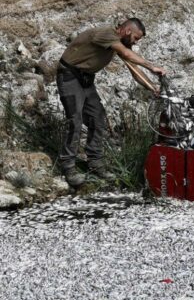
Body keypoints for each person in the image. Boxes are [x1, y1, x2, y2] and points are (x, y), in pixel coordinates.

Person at [56, 18, 167, 186]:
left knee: (98, 118)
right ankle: (68, 167)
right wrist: (151, 66)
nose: (135, 43)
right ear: (128, 31)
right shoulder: (107, 33)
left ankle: (95, 163)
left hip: (86, 79)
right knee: (75, 121)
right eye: (136, 38)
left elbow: (134, 71)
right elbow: (127, 54)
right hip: (70, 76)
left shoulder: (119, 44)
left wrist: (152, 88)